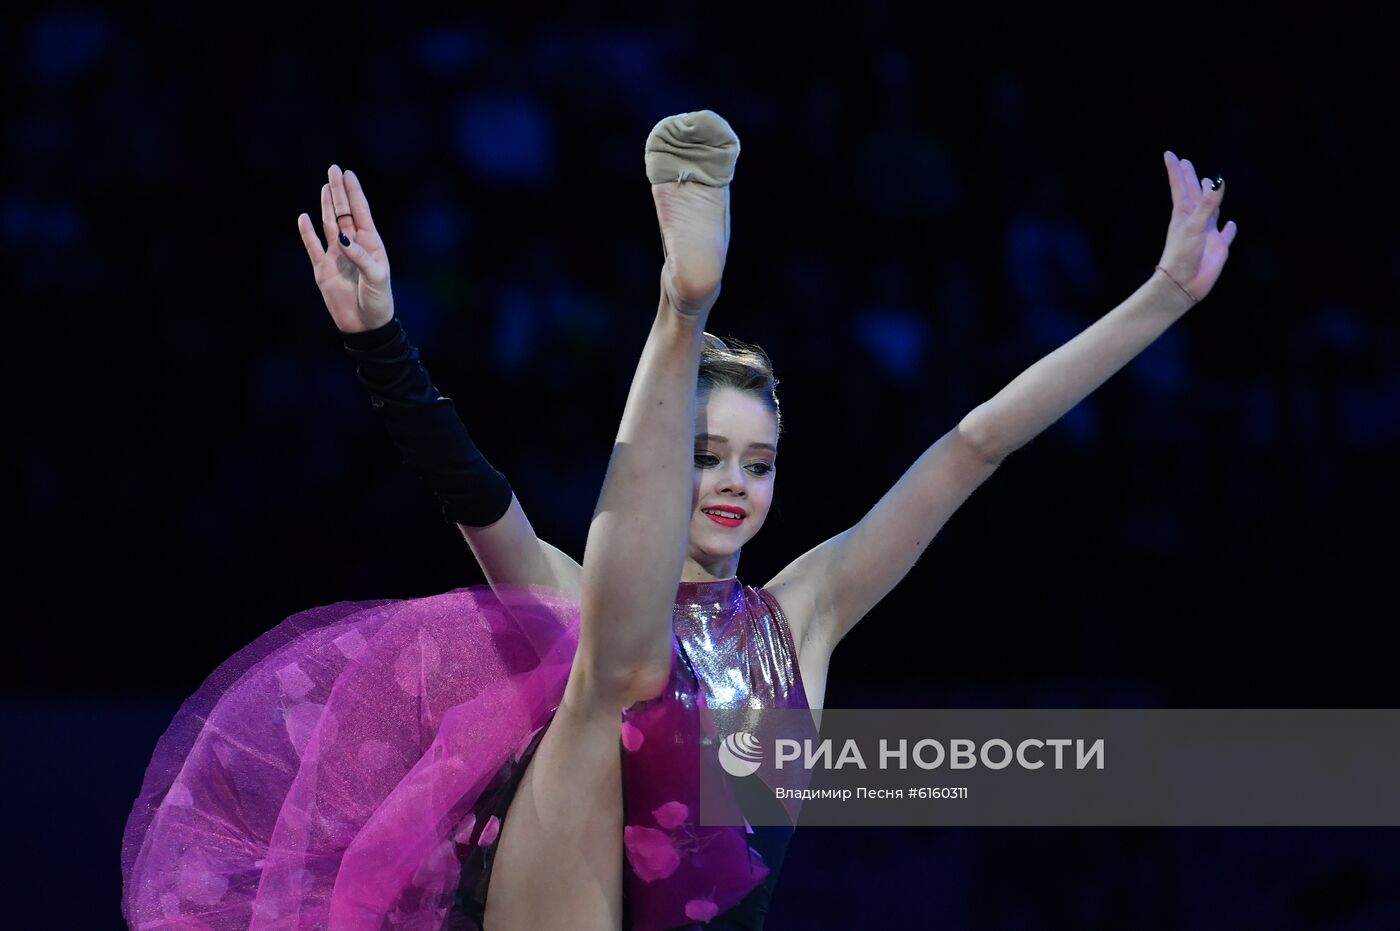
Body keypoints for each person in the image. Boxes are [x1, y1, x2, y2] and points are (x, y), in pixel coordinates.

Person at [121, 110, 1236, 930]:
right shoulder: (575, 595)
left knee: (623, 650)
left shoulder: (803, 615)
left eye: (757, 462)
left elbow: (972, 445)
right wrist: (378, 342)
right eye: (705, 455)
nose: (733, 483)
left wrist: (1158, 299)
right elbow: (470, 491)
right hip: (562, 900)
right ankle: (681, 298)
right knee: (608, 657)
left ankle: (685, 306)